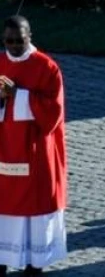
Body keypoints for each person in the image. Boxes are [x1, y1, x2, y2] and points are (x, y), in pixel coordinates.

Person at [0, 16, 67, 277]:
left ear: (30, 36)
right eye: (9, 41)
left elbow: (53, 113)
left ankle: (34, 264)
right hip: (5, 147)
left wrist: (19, 94)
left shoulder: (47, 67)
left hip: (36, 150)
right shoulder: (0, 63)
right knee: (4, 208)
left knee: (34, 209)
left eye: (20, 40)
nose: (15, 46)